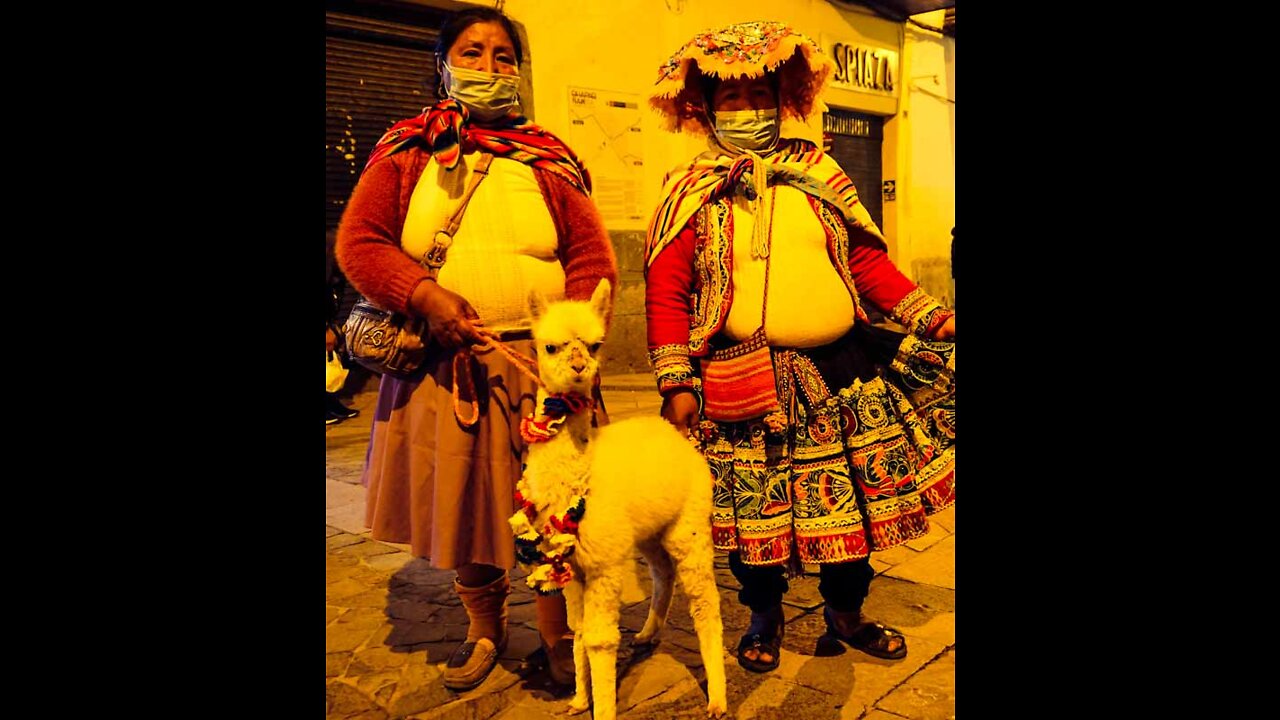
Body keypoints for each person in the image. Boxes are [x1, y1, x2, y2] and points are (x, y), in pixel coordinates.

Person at [644, 21, 955, 673]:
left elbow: (867, 263)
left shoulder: (820, 172)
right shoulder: (689, 189)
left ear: (780, 98)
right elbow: (667, 292)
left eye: (758, 95)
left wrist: (930, 318)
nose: (748, 110)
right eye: (732, 100)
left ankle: (848, 611)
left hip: (840, 372)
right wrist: (676, 382)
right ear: (705, 108)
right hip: (740, 380)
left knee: (852, 503)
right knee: (755, 512)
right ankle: (763, 614)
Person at [335, 6, 618, 692]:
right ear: (441, 65)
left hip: (541, 369)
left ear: (518, 70)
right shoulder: (407, 152)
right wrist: (426, 296)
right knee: (467, 507)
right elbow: (360, 244)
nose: (488, 68)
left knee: (555, 508)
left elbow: (590, 256)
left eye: (501, 55)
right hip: (445, 365)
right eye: (471, 52)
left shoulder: (547, 159)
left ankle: (558, 633)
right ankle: (485, 630)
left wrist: (576, 340)